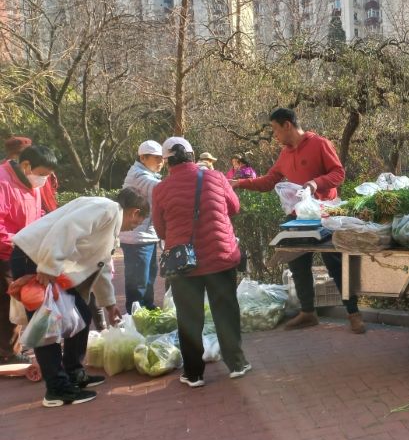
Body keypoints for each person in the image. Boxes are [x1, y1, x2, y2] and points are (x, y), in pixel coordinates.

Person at [230, 107, 364, 334]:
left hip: (326, 216)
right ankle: (308, 313)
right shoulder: (284, 154)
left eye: (275, 129)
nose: (274, 135)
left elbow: (338, 174)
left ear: (287, 125)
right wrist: (239, 184)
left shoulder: (320, 144)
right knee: (297, 263)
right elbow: (268, 181)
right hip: (298, 217)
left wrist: (315, 183)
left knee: (336, 264)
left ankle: (353, 313)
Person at [10, 188, 149, 406]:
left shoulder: (109, 221)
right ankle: (57, 389)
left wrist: (109, 304)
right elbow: (67, 229)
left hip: (47, 262)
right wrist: (48, 265)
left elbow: (100, 265)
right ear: (135, 212)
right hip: (34, 257)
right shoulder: (108, 209)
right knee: (45, 324)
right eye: (136, 223)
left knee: (82, 314)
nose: (132, 228)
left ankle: (73, 371)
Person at [153, 136, 251, 387]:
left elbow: (161, 231)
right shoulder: (216, 177)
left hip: (184, 263)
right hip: (220, 256)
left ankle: (193, 373)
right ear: (192, 155)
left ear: (166, 162)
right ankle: (237, 364)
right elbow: (235, 207)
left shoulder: (160, 189)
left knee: (189, 317)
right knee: (225, 311)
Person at [0, 145, 57, 364]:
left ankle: (12, 347)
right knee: (7, 302)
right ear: (26, 166)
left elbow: (35, 213)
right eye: (42, 174)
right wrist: (18, 243)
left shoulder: (30, 182)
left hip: (24, 250)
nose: (43, 179)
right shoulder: (4, 182)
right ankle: (8, 353)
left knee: (18, 302)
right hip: (6, 251)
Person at [120, 140, 165, 312]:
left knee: (148, 278)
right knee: (138, 281)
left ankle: (147, 310)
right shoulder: (139, 176)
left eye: (162, 158)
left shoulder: (148, 174)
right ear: (143, 158)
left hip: (146, 235)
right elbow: (159, 189)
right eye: (156, 158)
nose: (161, 162)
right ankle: (135, 316)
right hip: (137, 237)